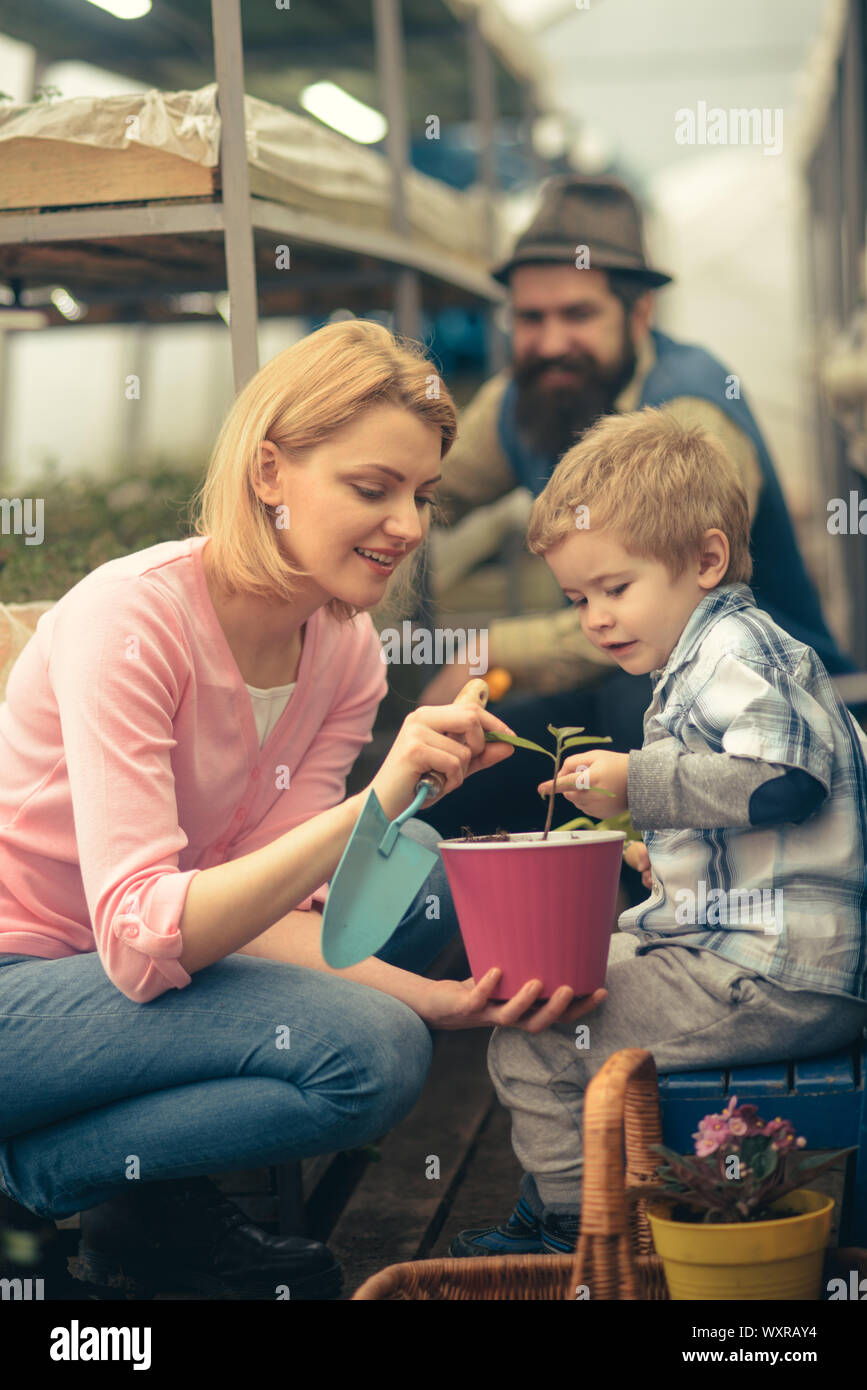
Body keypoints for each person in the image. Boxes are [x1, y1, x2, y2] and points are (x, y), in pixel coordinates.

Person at [0, 319, 602, 1301]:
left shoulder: (344, 651)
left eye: (422, 494)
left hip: (150, 977)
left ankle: (144, 1200)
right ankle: (34, 1178)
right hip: (28, 988)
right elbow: (143, 936)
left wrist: (444, 998)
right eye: (372, 488)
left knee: (428, 881)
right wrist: (378, 798)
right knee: (370, 1050)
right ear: (270, 470)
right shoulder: (134, 620)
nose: (407, 523)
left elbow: (285, 906)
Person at [448, 406, 867, 1257]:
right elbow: (760, 819)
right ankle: (588, 1196)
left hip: (771, 973)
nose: (595, 618)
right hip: (750, 950)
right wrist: (663, 854)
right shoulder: (709, 652)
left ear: (706, 559)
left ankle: (576, 1236)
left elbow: (785, 785)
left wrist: (633, 777)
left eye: (615, 587)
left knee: (533, 1033)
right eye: (577, 598)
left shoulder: (731, 654)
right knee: (553, 979)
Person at [417, 175, 864, 847]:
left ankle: (645, 916)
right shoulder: (526, 398)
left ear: (639, 314)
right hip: (627, 672)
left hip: (751, 702)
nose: (549, 341)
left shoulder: (691, 410)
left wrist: (492, 649)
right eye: (531, 319)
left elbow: (673, 615)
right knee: (479, 761)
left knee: (637, 720)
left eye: (577, 315)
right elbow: (427, 490)